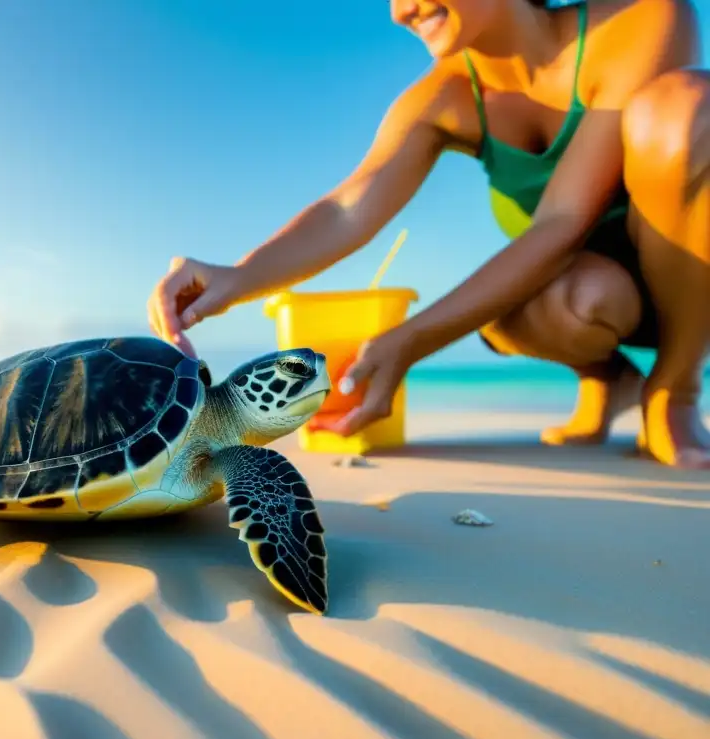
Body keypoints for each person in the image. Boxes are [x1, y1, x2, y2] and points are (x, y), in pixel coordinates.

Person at [146, 0, 709, 468]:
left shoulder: (641, 19)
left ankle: (674, 389)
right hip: (595, 296)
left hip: (692, 284)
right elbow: (348, 208)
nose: (399, 12)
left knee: (682, 112)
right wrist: (239, 277)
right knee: (579, 296)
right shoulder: (445, 97)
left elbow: (563, 222)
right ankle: (606, 380)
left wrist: (412, 341)